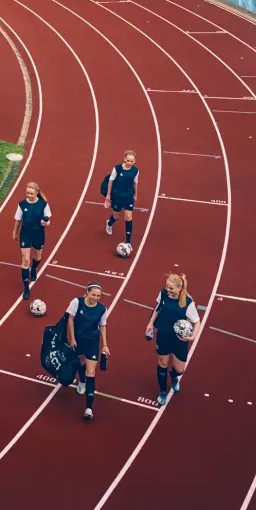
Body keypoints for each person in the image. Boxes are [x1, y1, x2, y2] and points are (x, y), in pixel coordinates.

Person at [144, 268, 201, 405]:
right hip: (163, 335)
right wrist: (151, 323)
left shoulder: (187, 303)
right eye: (167, 287)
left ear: (179, 288)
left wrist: (192, 337)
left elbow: (197, 321)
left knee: (180, 369)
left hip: (179, 339)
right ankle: (162, 391)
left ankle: (174, 377)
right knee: (162, 362)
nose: (167, 289)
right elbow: (158, 308)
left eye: (171, 288)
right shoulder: (163, 294)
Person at [61, 283, 111, 421]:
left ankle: (89, 408)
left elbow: (102, 326)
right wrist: (72, 338)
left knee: (91, 372)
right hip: (78, 340)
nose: (96, 298)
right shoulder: (77, 302)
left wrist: (105, 345)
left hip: (92, 343)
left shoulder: (102, 309)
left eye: (98, 296)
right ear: (87, 292)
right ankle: (81, 381)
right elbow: (70, 319)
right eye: (93, 295)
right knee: (80, 363)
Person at [13, 180, 50, 300]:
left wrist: (45, 223)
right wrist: (15, 231)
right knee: (25, 260)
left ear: (36, 193)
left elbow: (48, 220)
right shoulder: (22, 204)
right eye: (27, 193)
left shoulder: (43, 204)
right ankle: (26, 287)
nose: (29, 195)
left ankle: (33, 269)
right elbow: (18, 219)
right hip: (26, 234)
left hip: (38, 233)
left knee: (38, 258)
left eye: (31, 193)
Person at [101, 150, 140, 249]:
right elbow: (110, 181)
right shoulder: (117, 169)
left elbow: (135, 183)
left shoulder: (135, 171)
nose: (129, 163)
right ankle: (109, 223)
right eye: (128, 160)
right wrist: (108, 195)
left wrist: (135, 194)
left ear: (134, 161)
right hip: (117, 195)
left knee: (128, 217)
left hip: (128, 195)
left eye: (131, 161)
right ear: (124, 159)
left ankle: (128, 242)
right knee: (116, 216)